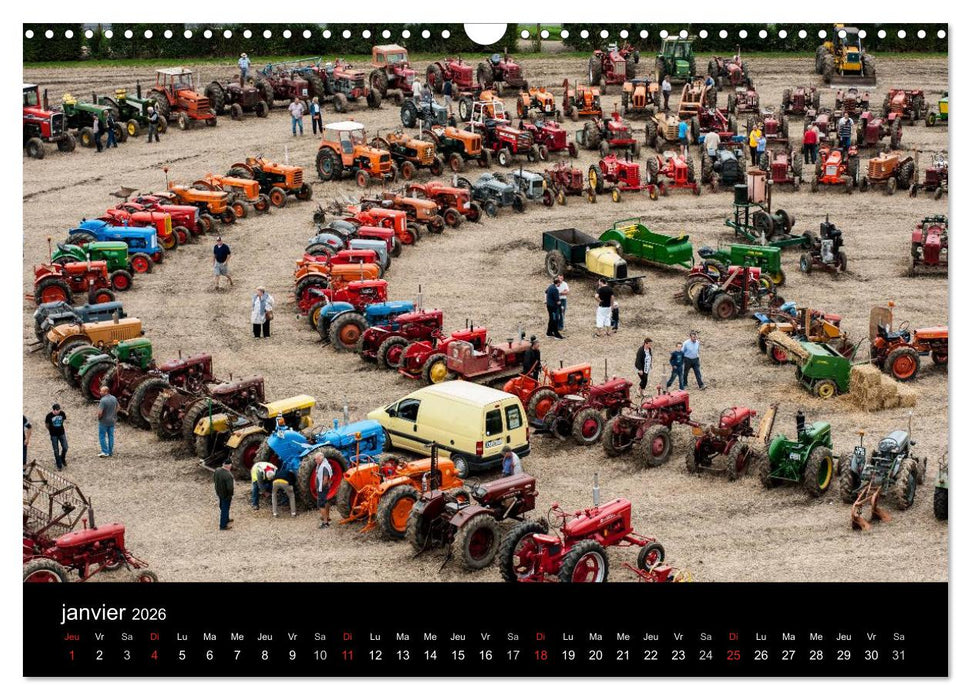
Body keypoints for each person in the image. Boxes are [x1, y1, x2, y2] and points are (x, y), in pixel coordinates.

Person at [45, 404, 68, 471]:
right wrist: (50, 430)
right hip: (53, 435)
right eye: (56, 410)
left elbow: (63, 420)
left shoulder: (62, 413)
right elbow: (47, 425)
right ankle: (59, 465)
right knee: (56, 450)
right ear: (53, 410)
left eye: (59, 410)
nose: (58, 411)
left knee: (65, 447)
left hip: (61, 433)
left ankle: (62, 458)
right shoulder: (49, 416)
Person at [97, 386, 119, 457]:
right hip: (112, 421)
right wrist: (114, 414)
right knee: (111, 436)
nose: (100, 392)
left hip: (104, 421)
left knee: (102, 436)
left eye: (102, 391)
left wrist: (99, 418)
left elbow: (100, 412)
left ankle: (104, 451)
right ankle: (110, 452)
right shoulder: (114, 398)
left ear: (106, 392)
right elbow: (118, 407)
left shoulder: (103, 400)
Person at [314, 452, 333, 528]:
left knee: (321, 505)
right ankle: (327, 517)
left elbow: (325, 479)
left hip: (322, 488)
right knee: (326, 501)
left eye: (316, 459)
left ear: (320, 458)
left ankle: (325, 523)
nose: (315, 460)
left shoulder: (324, 467)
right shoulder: (320, 465)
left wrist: (320, 488)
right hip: (323, 487)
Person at [214, 460, 235, 531]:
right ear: (229, 465)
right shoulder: (228, 475)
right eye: (231, 464)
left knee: (222, 506)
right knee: (225, 508)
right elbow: (230, 488)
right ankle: (223, 525)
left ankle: (226, 519)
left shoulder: (217, 470)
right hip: (226, 495)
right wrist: (230, 495)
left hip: (219, 492)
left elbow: (214, 479)